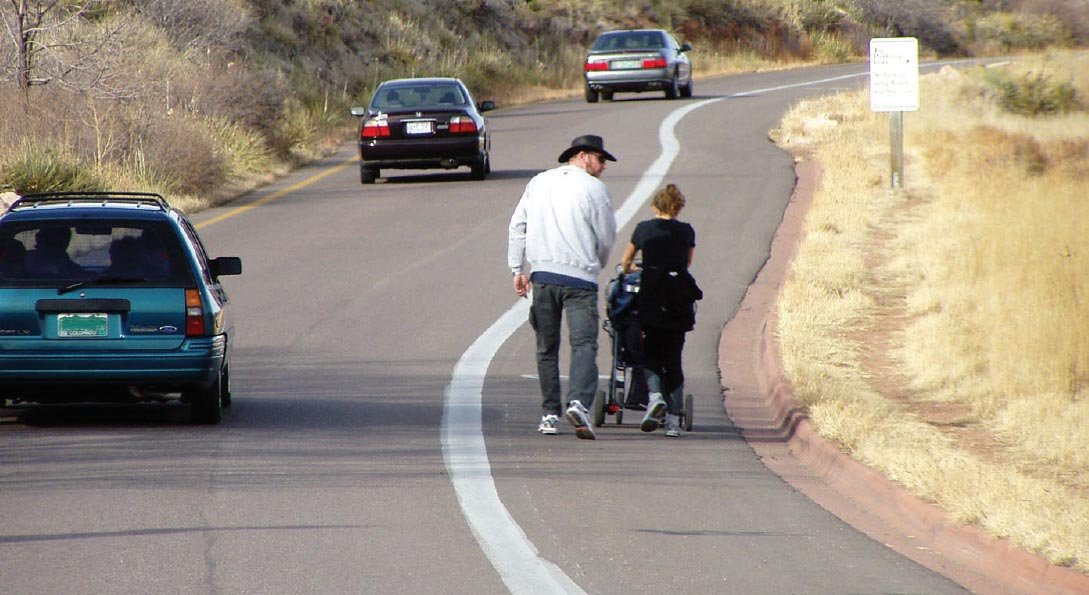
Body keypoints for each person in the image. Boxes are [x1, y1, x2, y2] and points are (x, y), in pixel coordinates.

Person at [508, 134, 618, 439]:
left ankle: (549, 413)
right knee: (584, 344)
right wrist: (597, 262)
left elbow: (518, 225)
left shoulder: (539, 182)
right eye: (600, 159)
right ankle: (579, 402)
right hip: (581, 279)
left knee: (546, 347)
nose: (604, 166)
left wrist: (517, 268)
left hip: (543, 276)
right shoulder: (595, 189)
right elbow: (607, 235)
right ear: (582, 156)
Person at [620, 184, 701, 437]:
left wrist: (633, 270)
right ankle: (674, 421)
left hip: (652, 294)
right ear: (678, 207)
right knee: (674, 357)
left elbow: (626, 262)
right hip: (678, 296)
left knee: (651, 352)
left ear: (655, 206)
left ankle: (655, 397)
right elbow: (686, 263)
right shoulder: (687, 231)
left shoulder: (644, 229)